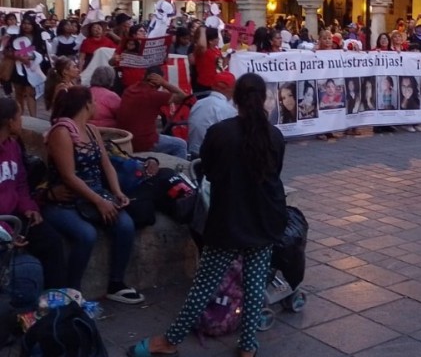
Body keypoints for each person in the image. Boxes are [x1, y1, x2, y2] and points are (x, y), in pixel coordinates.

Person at [127, 73, 288, 357]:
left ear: (236, 99)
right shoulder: (274, 135)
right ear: (263, 99)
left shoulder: (221, 133)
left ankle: (170, 340)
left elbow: (209, 172)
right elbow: (275, 173)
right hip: (264, 220)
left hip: (229, 221)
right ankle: (248, 346)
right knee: (253, 284)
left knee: (205, 285)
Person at [42, 87, 144, 302]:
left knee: (125, 225)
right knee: (86, 234)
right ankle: (72, 291)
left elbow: (106, 164)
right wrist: (99, 201)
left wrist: (116, 192)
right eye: (94, 103)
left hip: (95, 194)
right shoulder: (61, 133)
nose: (96, 107)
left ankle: (116, 284)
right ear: (87, 105)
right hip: (65, 202)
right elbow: (69, 176)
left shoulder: (91, 130)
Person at [0, 97, 67, 299]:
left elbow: (20, 183)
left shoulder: (13, 146)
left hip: (17, 215)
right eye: (19, 116)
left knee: (52, 242)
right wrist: (8, 233)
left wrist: (30, 207)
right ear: (10, 121)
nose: (21, 121)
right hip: (4, 224)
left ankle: (55, 303)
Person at [116, 65, 188, 159]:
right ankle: (177, 172)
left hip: (126, 139)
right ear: (158, 81)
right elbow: (184, 97)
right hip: (144, 142)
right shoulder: (154, 95)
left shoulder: (129, 90)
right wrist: (164, 83)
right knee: (181, 145)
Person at [188, 72, 237, 158]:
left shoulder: (198, 103)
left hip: (192, 152)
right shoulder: (229, 110)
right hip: (211, 158)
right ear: (230, 89)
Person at [8, 15, 50, 117]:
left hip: (32, 68)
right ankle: (19, 115)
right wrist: (19, 57)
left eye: (29, 24)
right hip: (18, 68)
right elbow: (8, 51)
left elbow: (42, 51)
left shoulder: (38, 37)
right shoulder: (16, 37)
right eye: (24, 24)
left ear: (33, 25)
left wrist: (30, 58)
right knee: (18, 93)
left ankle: (33, 117)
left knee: (31, 93)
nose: (26, 26)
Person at [193, 26, 223, 93]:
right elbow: (202, 45)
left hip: (215, 85)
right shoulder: (202, 51)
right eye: (217, 38)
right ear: (210, 41)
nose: (219, 39)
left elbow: (220, 66)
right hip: (204, 86)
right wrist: (203, 31)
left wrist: (229, 56)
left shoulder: (217, 50)